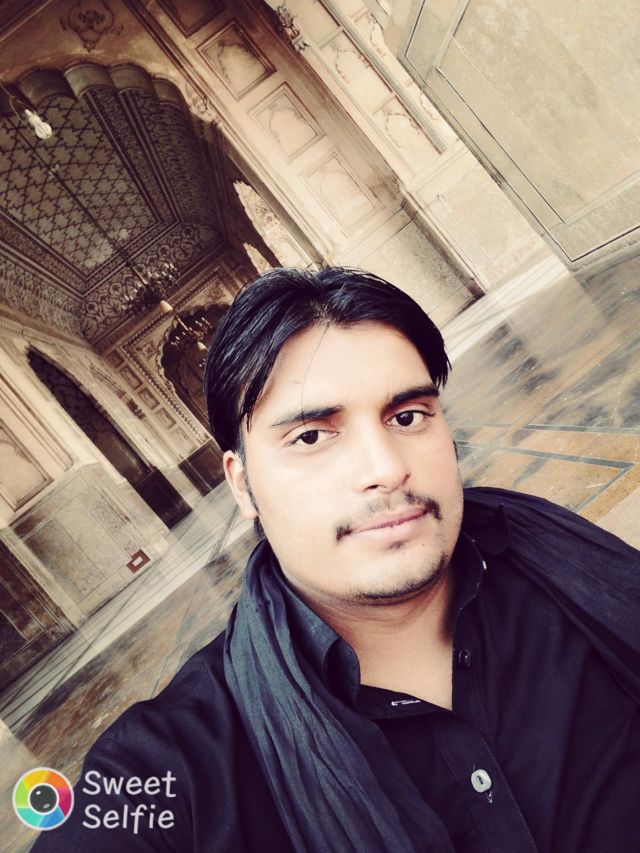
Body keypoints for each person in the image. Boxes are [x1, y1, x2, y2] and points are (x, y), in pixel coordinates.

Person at [34, 267, 640, 852]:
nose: (386, 468)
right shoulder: (170, 768)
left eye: (407, 417)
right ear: (243, 485)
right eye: (311, 436)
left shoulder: (564, 573)